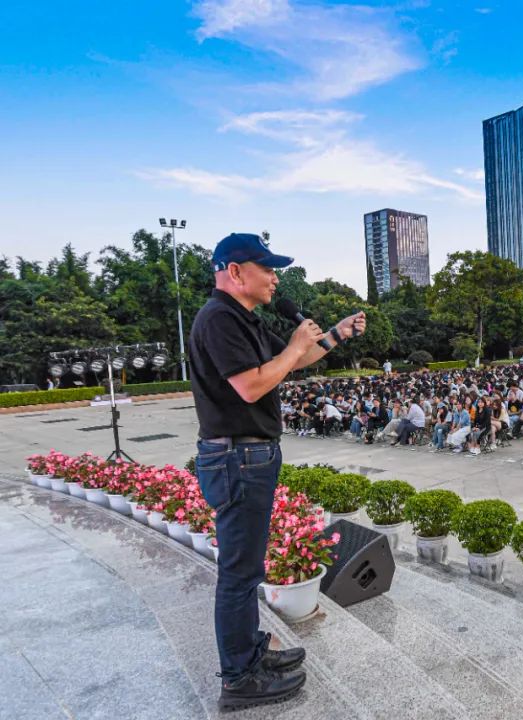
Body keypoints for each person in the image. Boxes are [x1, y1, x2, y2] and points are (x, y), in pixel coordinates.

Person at [189, 232, 366, 710]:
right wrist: (291, 348)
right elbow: (250, 386)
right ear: (235, 271)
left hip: (250, 457)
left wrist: (335, 335)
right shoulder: (218, 319)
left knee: (248, 570)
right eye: (266, 268)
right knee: (238, 574)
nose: (274, 277)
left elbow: (296, 359)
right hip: (236, 458)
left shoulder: (243, 319)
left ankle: (250, 655)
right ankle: (238, 680)